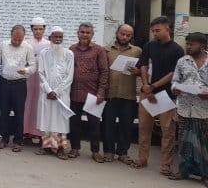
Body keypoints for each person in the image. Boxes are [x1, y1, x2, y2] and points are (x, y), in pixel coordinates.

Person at [131, 16, 184, 174]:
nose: (155, 33)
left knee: (168, 131)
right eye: (153, 31)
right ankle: (142, 159)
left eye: (158, 30)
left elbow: (173, 73)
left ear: (168, 29)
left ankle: (166, 164)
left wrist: (153, 86)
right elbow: (144, 66)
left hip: (166, 96)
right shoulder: (149, 46)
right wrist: (146, 85)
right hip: (147, 94)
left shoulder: (177, 50)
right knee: (144, 128)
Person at [169, 32, 208, 186]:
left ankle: (205, 175)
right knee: (184, 141)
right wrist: (175, 89)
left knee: (204, 143)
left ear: (203, 46)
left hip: (204, 110)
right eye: (187, 43)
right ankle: (184, 171)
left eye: (192, 44)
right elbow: (175, 81)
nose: (188, 46)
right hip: (185, 108)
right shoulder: (182, 61)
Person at [68, 22, 109, 162]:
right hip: (74, 92)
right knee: (74, 122)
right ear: (77, 33)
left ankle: (95, 151)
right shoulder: (71, 49)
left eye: (87, 32)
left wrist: (101, 92)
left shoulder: (99, 50)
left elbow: (104, 72)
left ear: (92, 34)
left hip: (93, 94)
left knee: (94, 124)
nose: (84, 35)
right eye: (82, 32)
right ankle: (75, 148)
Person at [102, 24, 142, 164]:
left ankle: (123, 153)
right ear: (117, 33)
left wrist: (137, 72)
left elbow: (144, 71)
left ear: (131, 36)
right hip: (110, 94)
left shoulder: (137, 51)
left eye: (128, 35)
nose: (124, 37)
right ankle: (108, 151)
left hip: (128, 95)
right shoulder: (105, 50)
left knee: (126, 126)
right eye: (122, 34)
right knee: (108, 125)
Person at [0, 25, 36, 152]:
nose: (17, 42)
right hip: (5, 83)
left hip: (20, 84)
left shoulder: (28, 47)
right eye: (15, 39)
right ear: (10, 35)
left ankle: (18, 140)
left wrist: (26, 70)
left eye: (20, 39)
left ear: (23, 37)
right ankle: (4, 139)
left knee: (19, 113)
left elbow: (33, 66)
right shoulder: (3, 45)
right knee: (4, 113)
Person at [35, 26, 74, 160]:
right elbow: (41, 72)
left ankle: (60, 149)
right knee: (46, 118)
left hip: (62, 94)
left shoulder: (69, 54)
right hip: (46, 93)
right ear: (50, 38)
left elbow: (70, 76)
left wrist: (56, 91)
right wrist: (49, 90)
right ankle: (46, 146)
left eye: (60, 37)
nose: (58, 40)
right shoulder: (44, 53)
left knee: (60, 121)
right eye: (55, 37)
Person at [25, 17, 50, 142]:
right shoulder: (27, 43)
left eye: (41, 29)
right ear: (32, 29)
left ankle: (40, 134)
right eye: (36, 29)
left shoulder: (48, 44)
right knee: (29, 102)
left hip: (42, 78)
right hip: (30, 78)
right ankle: (27, 132)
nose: (38, 31)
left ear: (44, 29)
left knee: (41, 104)